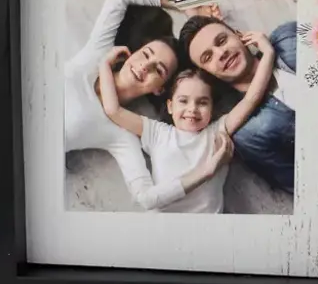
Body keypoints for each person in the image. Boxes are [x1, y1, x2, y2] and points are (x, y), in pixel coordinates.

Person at [97, 32, 276, 214]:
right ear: (170, 106)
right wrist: (104, 65)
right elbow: (113, 110)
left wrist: (268, 53)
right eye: (183, 101)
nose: (192, 109)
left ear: (212, 108)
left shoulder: (216, 133)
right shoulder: (156, 132)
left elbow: (251, 99)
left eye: (202, 102)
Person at [64, 0, 188, 211]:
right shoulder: (96, 54)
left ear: (159, 89)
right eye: (146, 54)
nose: (145, 66)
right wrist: (188, 3)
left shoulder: (121, 134)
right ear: (135, 51)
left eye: (158, 70)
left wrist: (206, 171)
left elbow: (146, 197)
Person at [179, 15, 297, 195]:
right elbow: (298, 183)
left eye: (222, 41)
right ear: (208, 74)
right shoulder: (248, 133)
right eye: (208, 57)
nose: (221, 53)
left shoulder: (287, 38)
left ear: (238, 34)